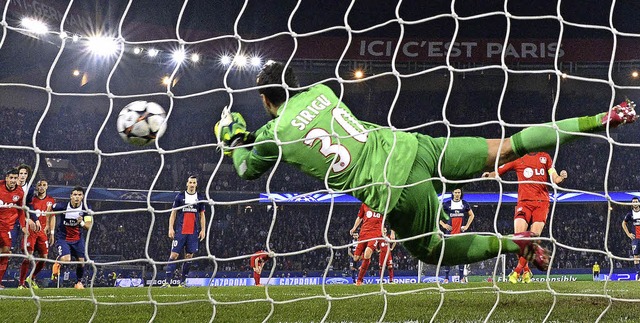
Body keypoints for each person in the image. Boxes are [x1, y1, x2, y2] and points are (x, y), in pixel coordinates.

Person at [215, 60, 637, 273]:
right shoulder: (323, 91)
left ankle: (515, 245)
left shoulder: (273, 132)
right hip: (414, 145)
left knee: (430, 249)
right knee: (509, 146)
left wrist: (233, 138)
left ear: (266, 101)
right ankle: (602, 119)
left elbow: (248, 170)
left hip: (393, 186)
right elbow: (305, 123)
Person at [482, 152, 567, 284]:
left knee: (533, 238)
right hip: (523, 203)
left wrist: (559, 178)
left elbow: (553, 175)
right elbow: (500, 170)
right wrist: (489, 175)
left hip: (541, 203)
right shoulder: (518, 158)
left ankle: (516, 272)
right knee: (519, 239)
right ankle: (526, 271)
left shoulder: (545, 157)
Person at [162, 176, 206, 288]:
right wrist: (170, 228)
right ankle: (167, 282)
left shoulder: (200, 197)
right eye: (190, 182)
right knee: (174, 255)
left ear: (196, 184)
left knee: (189, 256)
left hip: (193, 232)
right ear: (187, 184)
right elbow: (173, 213)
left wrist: (203, 229)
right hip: (180, 231)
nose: (192, 184)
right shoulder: (180, 196)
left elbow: (202, 215)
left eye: (194, 183)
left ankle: (183, 282)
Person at [51, 186, 92, 289]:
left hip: (77, 240)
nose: (77, 197)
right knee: (66, 259)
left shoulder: (86, 209)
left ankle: (78, 283)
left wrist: (81, 222)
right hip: (63, 239)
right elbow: (50, 208)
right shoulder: (62, 206)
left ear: (82, 196)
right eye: (74, 195)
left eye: (79, 195)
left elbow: (89, 225)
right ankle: (57, 262)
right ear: (71, 196)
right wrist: (49, 226)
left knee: (81, 262)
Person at [18, 179, 54, 289]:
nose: (42, 187)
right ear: (36, 187)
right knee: (28, 256)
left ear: (47, 187)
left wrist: (51, 232)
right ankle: (21, 283)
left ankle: (31, 277)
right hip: (31, 231)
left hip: (42, 232)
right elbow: (23, 212)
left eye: (44, 185)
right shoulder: (31, 200)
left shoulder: (51, 201)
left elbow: (52, 216)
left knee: (44, 257)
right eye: (40, 185)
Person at [0, 168, 28, 289]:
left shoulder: (20, 192)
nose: (13, 180)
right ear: (6, 178)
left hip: (6, 228)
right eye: (10, 178)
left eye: (15, 178)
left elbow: (21, 210)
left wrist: (23, 226)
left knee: (6, 253)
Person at [440, 188, 475, 283]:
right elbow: (437, 215)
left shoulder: (464, 204)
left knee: (461, 256)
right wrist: (444, 225)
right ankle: (446, 278)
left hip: (460, 233)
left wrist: (466, 226)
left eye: (459, 192)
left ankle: (461, 278)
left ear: (461, 193)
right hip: (449, 234)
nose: (457, 194)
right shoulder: (447, 204)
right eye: (455, 192)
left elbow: (472, 215)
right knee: (448, 255)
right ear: (452, 193)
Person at [349, 203, 385, 286]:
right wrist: (354, 228)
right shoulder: (364, 205)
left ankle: (359, 280)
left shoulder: (382, 205)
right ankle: (366, 262)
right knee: (355, 258)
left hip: (375, 234)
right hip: (363, 234)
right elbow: (359, 217)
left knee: (367, 254)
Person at [622, 197, 640, 281]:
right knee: (636, 256)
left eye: (636, 201)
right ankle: (638, 275)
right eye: (633, 202)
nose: (635, 203)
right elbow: (623, 224)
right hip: (636, 238)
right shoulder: (630, 214)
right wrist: (628, 234)